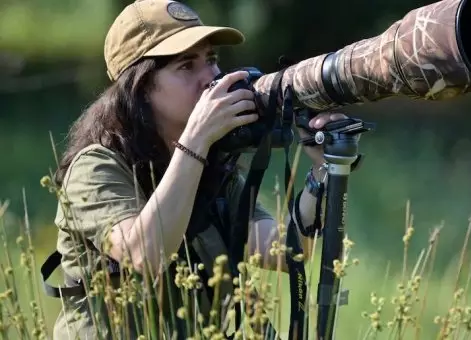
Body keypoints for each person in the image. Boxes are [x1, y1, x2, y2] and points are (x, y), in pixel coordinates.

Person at [45, 1, 347, 338]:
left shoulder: (210, 164)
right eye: (187, 66)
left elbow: (287, 252)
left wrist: (322, 169)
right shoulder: (96, 167)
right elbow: (145, 254)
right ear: (140, 88)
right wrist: (197, 140)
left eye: (212, 60)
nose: (211, 78)